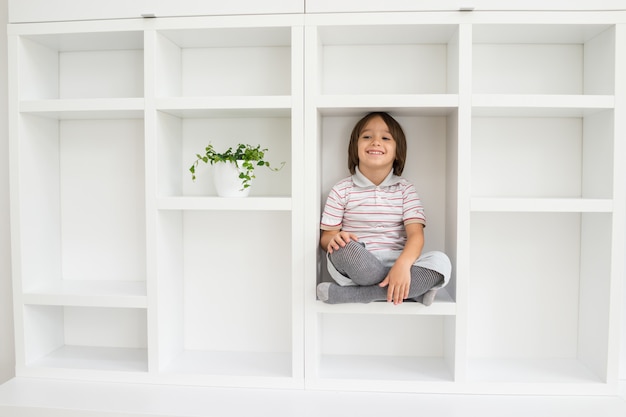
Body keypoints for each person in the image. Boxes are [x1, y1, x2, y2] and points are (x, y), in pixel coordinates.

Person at [317, 112, 451, 305]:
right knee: (343, 248)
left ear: (398, 151)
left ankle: (354, 295)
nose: (376, 142)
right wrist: (335, 239)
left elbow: (416, 236)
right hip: (358, 263)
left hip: (399, 266)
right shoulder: (341, 190)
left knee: (441, 263)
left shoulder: (405, 189)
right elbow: (327, 237)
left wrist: (403, 265)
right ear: (355, 147)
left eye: (386, 138)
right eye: (367, 137)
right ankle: (411, 293)